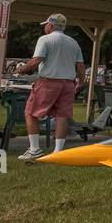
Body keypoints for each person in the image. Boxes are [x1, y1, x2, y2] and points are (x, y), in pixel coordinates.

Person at [15, 14, 85, 160]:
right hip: (68, 83)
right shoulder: (74, 43)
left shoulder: (44, 40)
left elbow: (36, 61)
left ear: (51, 25)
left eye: (46, 25)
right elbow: (80, 65)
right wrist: (81, 81)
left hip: (49, 82)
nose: (45, 27)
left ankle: (34, 149)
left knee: (30, 112)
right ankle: (58, 152)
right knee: (62, 116)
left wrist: (22, 69)